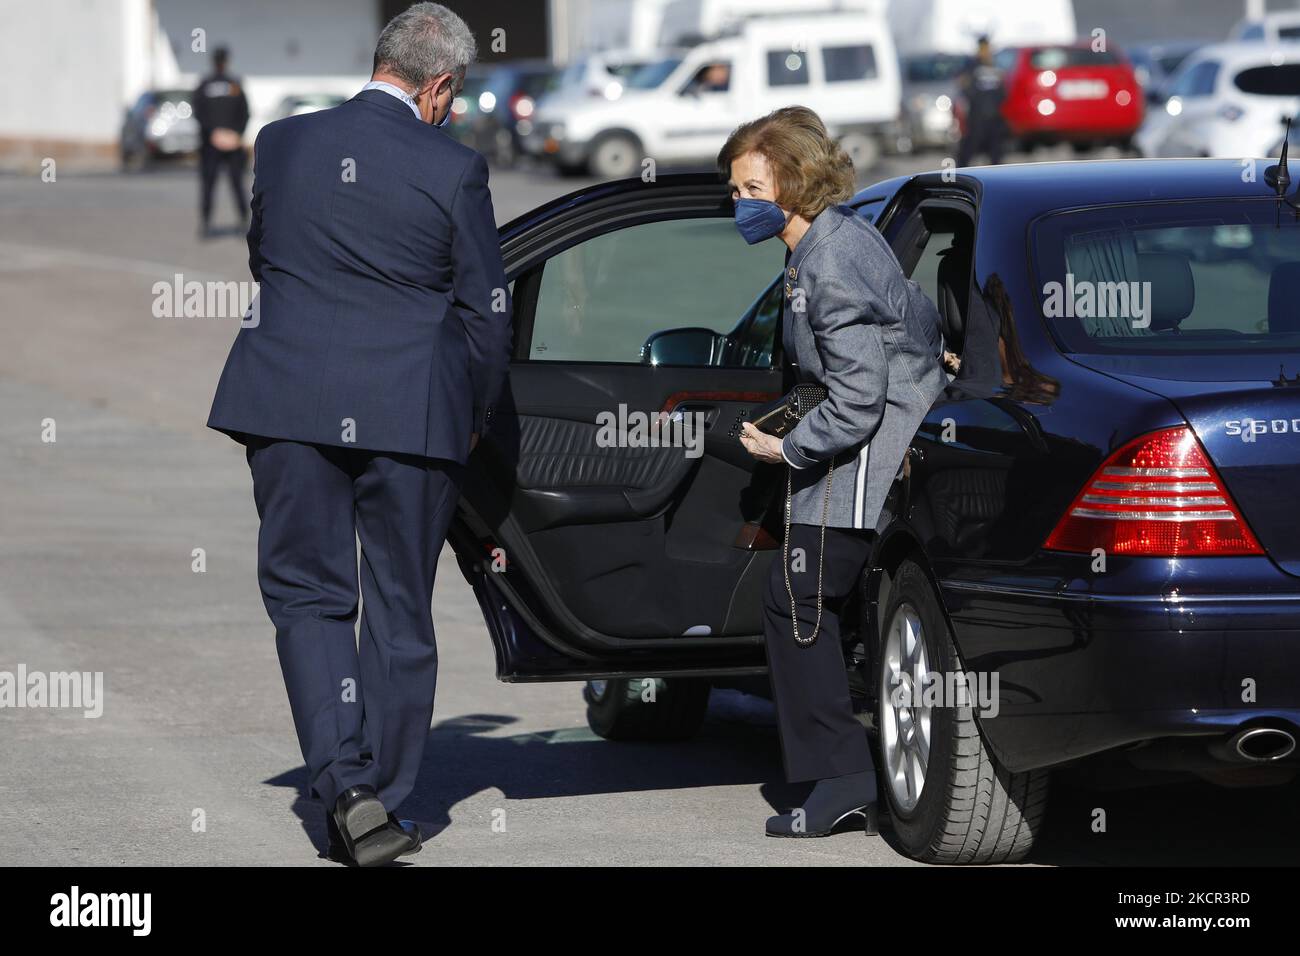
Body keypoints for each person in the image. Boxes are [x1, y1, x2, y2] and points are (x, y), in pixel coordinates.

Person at [206, 3, 511, 866]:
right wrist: (477, 415)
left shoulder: (282, 143)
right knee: (399, 609)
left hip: (287, 403)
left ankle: (342, 782)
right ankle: (378, 795)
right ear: (440, 85)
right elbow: (487, 316)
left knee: (308, 599)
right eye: (454, 94)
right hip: (411, 416)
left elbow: (267, 261)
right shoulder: (455, 170)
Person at [724, 106, 945, 837]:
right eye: (736, 188)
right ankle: (841, 772)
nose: (740, 204)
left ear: (792, 183)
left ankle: (841, 778)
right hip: (859, 461)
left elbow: (857, 396)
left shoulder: (831, 258)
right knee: (804, 606)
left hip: (857, 470)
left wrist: (784, 448)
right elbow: (907, 328)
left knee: (798, 607)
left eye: (752, 187)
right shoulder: (835, 243)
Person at [192, 46, 251, 238]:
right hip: (229, 143)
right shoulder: (235, 85)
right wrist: (235, 134)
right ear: (226, 61)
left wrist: (214, 133)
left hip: (211, 144)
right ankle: (243, 222)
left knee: (209, 184)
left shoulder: (204, 85)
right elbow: (245, 113)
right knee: (236, 183)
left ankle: (207, 224)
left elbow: (198, 113)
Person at [956, 36, 1007, 167]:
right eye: (983, 48)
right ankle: (960, 173)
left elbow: (1002, 88)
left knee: (996, 149)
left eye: (987, 48)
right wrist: (974, 99)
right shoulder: (972, 65)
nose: (985, 51)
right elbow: (964, 84)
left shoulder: (995, 65)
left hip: (994, 114)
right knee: (970, 145)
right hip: (977, 114)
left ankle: (997, 176)